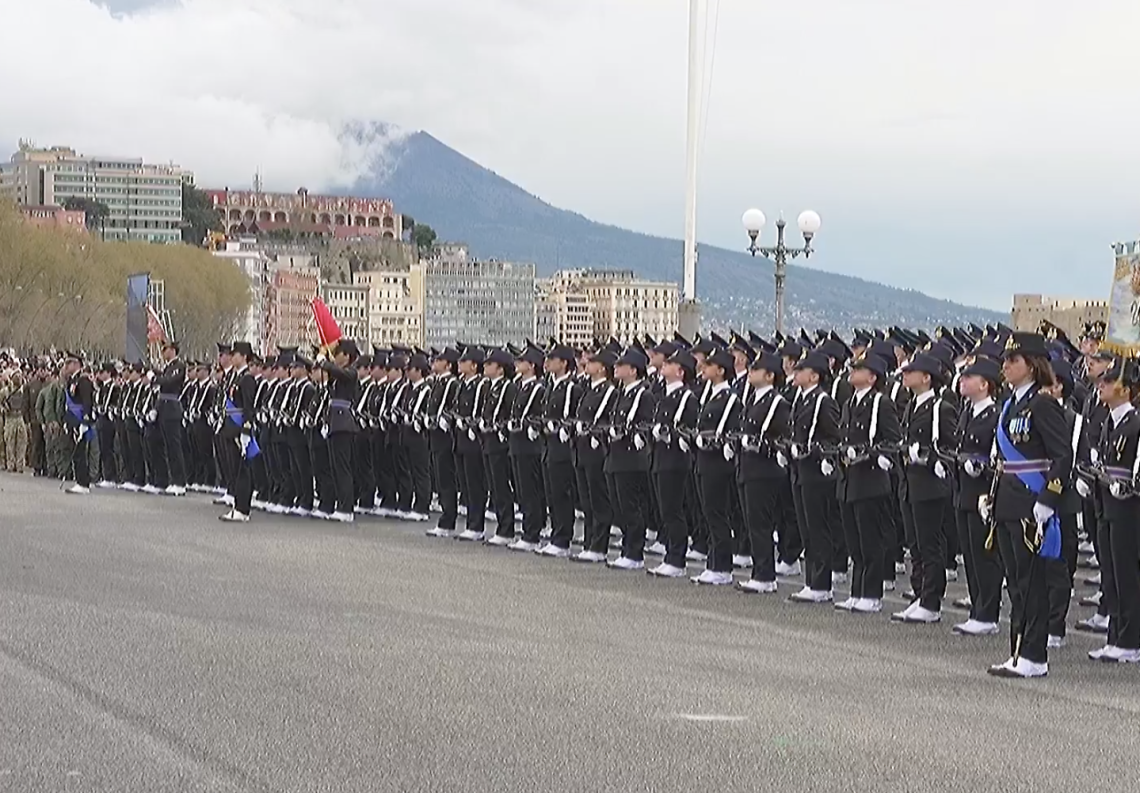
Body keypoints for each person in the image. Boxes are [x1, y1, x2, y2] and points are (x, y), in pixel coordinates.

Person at [987, 332, 1072, 680]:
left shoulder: (1042, 404)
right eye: (1005, 360)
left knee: (1031, 581)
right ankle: (1018, 652)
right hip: (1008, 501)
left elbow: (1063, 456)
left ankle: (1034, 655)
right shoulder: (1011, 405)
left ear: (1032, 365)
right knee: (1016, 583)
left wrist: (1049, 499)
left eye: (1014, 360)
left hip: (1031, 503)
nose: (1006, 365)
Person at [892, 351, 957, 624]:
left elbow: (950, 448)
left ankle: (931, 601)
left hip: (929, 485)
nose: (905, 375)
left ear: (927, 377)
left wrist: (932, 460)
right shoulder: (912, 405)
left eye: (911, 372)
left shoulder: (940, 408)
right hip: (910, 484)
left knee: (931, 545)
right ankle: (920, 595)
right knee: (915, 545)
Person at [835, 350, 901, 614]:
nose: (852, 372)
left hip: (870, 480)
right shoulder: (849, 403)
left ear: (873, 377)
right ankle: (857, 591)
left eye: (859, 369)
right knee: (854, 541)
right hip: (849, 480)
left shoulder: (880, 403)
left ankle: (872, 594)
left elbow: (893, 440)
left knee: (870, 541)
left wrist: (882, 457)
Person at [1084, 356, 1140, 663]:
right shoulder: (1108, 422)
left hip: (1128, 509)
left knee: (1126, 574)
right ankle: (1116, 636)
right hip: (1105, 505)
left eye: (1109, 380)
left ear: (1127, 389)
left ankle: (1130, 640)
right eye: (1102, 379)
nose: (1101, 384)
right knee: (1110, 573)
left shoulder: (1135, 423)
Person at [951, 355, 1003, 636]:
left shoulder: (995, 415)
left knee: (984, 557)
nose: (963, 380)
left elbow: (999, 457)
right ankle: (977, 608)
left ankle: (987, 614)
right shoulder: (967, 412)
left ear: (985, 384)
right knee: (970, 556)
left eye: (969, 377)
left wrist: (981, 468)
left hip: (983, 494)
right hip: (964, 492)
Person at [734, 350, 791, 593]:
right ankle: (759, 572)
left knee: (761, 524)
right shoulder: (753, 399)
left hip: (765, 471)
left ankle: (766, 576)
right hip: (748, 468)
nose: (750, 372)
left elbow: (784, 438)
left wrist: (766, 447)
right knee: (752, 523)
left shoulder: (777, 402)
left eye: (756, 369)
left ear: (770, 375)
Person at [788, 350, 842, 603]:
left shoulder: (823, 401)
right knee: (807, 528)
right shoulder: (801, 399)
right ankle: (811, 580)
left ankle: (821, 584)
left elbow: (833, 437)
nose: (796, 373)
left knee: (818, 527)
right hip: (801, 470)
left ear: (814, 376)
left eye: (801, 370)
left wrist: (824, 458)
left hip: (817, 472)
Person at [690, 348, 743, 585]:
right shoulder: (710, 395)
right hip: (704, 462)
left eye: (710, 365)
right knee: (709, 513)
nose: (704, 367)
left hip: (718, 464)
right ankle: (713, 563)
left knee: (718, 514)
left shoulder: (729, 398)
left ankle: (722, 567)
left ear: (721, 370)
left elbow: (730, 431)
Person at [648, 349, 699, 578]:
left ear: (680, 372)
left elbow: (689, 430)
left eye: (670, 363)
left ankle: (677, 559)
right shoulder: (665, 395)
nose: (664, 365)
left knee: (673, 510)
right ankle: (670, 554)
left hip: (675, 460)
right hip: (660, 458)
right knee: (665, 510)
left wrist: (670, 435)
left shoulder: (686, 397)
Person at [604, 347, 656, 570]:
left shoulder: (643, 395)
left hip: (631, 459)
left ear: (634, 370)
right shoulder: (622, 393)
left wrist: (637, 435)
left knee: (631, 507)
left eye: (621, 365)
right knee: (619, 506)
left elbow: (647, 424)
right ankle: (627, 549)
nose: (616, 367)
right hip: (616, 457)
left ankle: (634, 553)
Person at [571, 349, 617, 563]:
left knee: (598, 498)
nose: (586, 363)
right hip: (582, 449)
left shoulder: (609, 391)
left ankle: (599, 545)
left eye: (592, 362)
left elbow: (608, 421)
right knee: (587, 499)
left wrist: (595, 433)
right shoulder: (589, 389)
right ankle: (589, 542)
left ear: (602, 368)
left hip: (596, 449)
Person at [537, 344, 581, 557]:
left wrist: (563, 428)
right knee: (552, 494)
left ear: (564, 363)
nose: (547, 362)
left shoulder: (571, 387)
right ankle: (556, 533)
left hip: (562, 448)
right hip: (548, 446)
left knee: (562, 494)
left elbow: (574, 417)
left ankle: (563, 539)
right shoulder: (551, 386)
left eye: (552, 359)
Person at [507, 345, 547, 551]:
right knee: (522, 491)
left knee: (531, 491)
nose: (517, 363)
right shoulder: (521, 386)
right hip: (517, 444)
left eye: (522, 361)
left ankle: (532, 534)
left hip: (529, 446)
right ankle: (528, 529)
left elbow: (539, 415)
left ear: (531, 366)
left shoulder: (538, 389)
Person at [318, 339, 360, 523]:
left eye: (338, 354)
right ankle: (340, 504)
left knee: (343, 468)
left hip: (344, 424)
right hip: (334, 422)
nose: (335, 357)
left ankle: (346, 507)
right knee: (335, 467)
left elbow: (339, 373)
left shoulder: (351, 372)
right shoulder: (338, 375)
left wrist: (324, 362)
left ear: (347, 356)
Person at [425, 347, 461, 538]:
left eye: (439, 360)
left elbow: (451, 407)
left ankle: (448, 521)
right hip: (435, 435)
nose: (434, 362)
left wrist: (443, 419)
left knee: (446, 479)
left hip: (445, 436)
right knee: (440, 478)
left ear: (448, 365)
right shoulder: (439, 382)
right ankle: (445, 517)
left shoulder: (451, 383)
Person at [156, 340, 188, 496]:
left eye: (166, 349)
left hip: (172, 408)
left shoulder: (179, 366)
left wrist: (155, 378)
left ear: (173, 350)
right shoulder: (167, 367)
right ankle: (173, 479)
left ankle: (180, 482)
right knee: (168, 447)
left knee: (175, 447)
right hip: (164, 408)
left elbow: (169, 382)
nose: (163, 352)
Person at [61, 352, 95, 495]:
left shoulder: (83, 381)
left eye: (68, 363)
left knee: (80, 452)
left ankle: (83, 483)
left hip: (80, 420)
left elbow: (87, 402)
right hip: (73, 420)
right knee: (76, 452)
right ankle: (80, 479)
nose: (66, 366)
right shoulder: (73, 380)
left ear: (76, 364)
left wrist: (85, 421)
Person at [3, 371, 28, 473]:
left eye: (20, 376)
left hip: (20, 417)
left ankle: (20, 465)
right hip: (10, 418)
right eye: (16, 376)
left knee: (22, 442)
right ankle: (11, 464)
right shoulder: (6, 391)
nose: (18, 377)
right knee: (10, 442)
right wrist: (4, 409)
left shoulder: (24, 390)